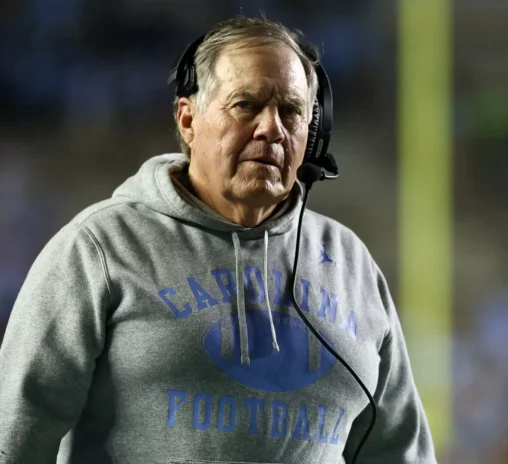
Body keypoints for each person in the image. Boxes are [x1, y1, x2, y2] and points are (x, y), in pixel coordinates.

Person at [0, 16, 437, 464]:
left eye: (291, 112)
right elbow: (12, 439)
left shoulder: (351, 264)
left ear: (313, 134)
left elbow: (402, 452)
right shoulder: (100, 248)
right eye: (246, 105)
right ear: (188, 120)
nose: (271, 128)